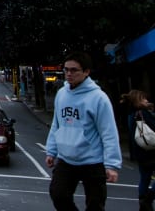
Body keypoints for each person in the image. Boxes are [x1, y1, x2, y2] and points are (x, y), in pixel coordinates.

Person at [44, 52, 122, 211]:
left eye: (74, 70)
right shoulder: (61, 94)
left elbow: (109, 132)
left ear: (86, 72)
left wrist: (112, 165)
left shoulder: (99, 98)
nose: (69, 74)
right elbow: (56, 124)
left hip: (92, 161)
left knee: (95, 204)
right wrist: (51, 151)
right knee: (58, 195)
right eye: (66, 70)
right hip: (66, 158)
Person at [121, 89, 155, 211]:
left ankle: (143, 204)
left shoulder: (131, 115)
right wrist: (153, 114)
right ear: (138, 100)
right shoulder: (143, 113)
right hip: (150, 151)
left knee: (145, 177)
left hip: (139, 152)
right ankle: (148, 200)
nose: (147, 100)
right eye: (144, 98)